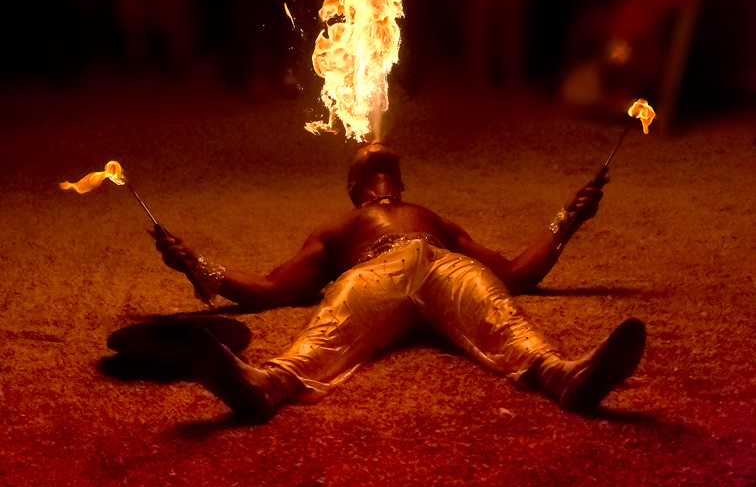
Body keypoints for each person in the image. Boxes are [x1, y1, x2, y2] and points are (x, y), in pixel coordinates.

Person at [153, 143, 646, 423]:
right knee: (326, 331)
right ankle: (265, 383)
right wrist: (198, 266)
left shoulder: (431, 218)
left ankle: (563, 376)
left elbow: (514, 274)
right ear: (352, 188)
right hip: (372, 272)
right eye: (361, 155)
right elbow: (272, 289)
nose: (372, 143)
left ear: (402, 184)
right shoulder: (339, 228)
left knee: (502, 315)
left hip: (443, 265)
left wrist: (568, 221)